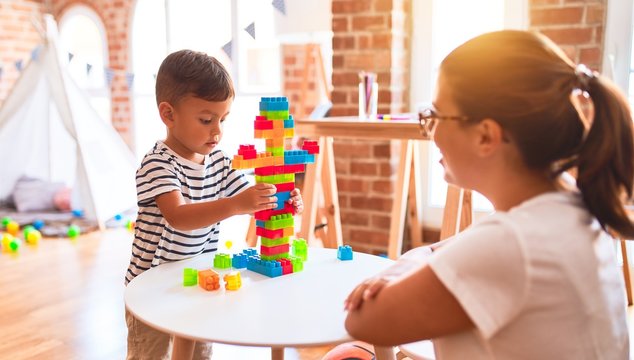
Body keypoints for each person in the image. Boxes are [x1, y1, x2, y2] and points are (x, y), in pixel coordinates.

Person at [344, 30, 633, 359]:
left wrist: (409, 261)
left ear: (486, 136)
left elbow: (363, 321)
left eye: (436, 116)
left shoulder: (514, 244)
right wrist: (424, 256)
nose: (430, 130)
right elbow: (447, 248)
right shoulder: (571, 205)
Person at [124, 50, 304, 360]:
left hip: (197, 280)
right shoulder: (158, 163)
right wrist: (235, 205)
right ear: (168, 114)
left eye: (223, 119)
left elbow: (253, 198)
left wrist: (282, 200)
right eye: (206, 120)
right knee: (152, 356)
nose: (217, 130)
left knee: (200, 353)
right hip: (151, 289)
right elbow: (178, 217)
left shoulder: (219, 161)